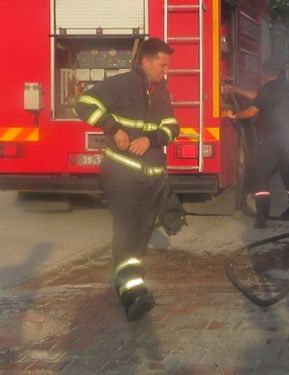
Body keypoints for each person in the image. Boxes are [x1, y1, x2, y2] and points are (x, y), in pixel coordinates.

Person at [74, 38, 180, 321]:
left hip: (150, 179)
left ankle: (133, 283)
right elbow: (82, 104)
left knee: (142, 232)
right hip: (121, 175)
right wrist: (113, 127)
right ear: (146, 62)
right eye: (162, 65)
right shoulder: (120, 84)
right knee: (126, 231)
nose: (165, 71)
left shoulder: (160, 91)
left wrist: (151, 138)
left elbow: (172, 127)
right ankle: (130, 293)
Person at [225, 60, 289, 228]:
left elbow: (252, 111)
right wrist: (236, 89)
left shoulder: (266, 89)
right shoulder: (285, 87)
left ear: (264, 74)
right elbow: (258, 95)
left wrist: (233, 115)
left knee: (262, 176)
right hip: (287, 138)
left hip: (270, 140)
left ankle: (261, 217)